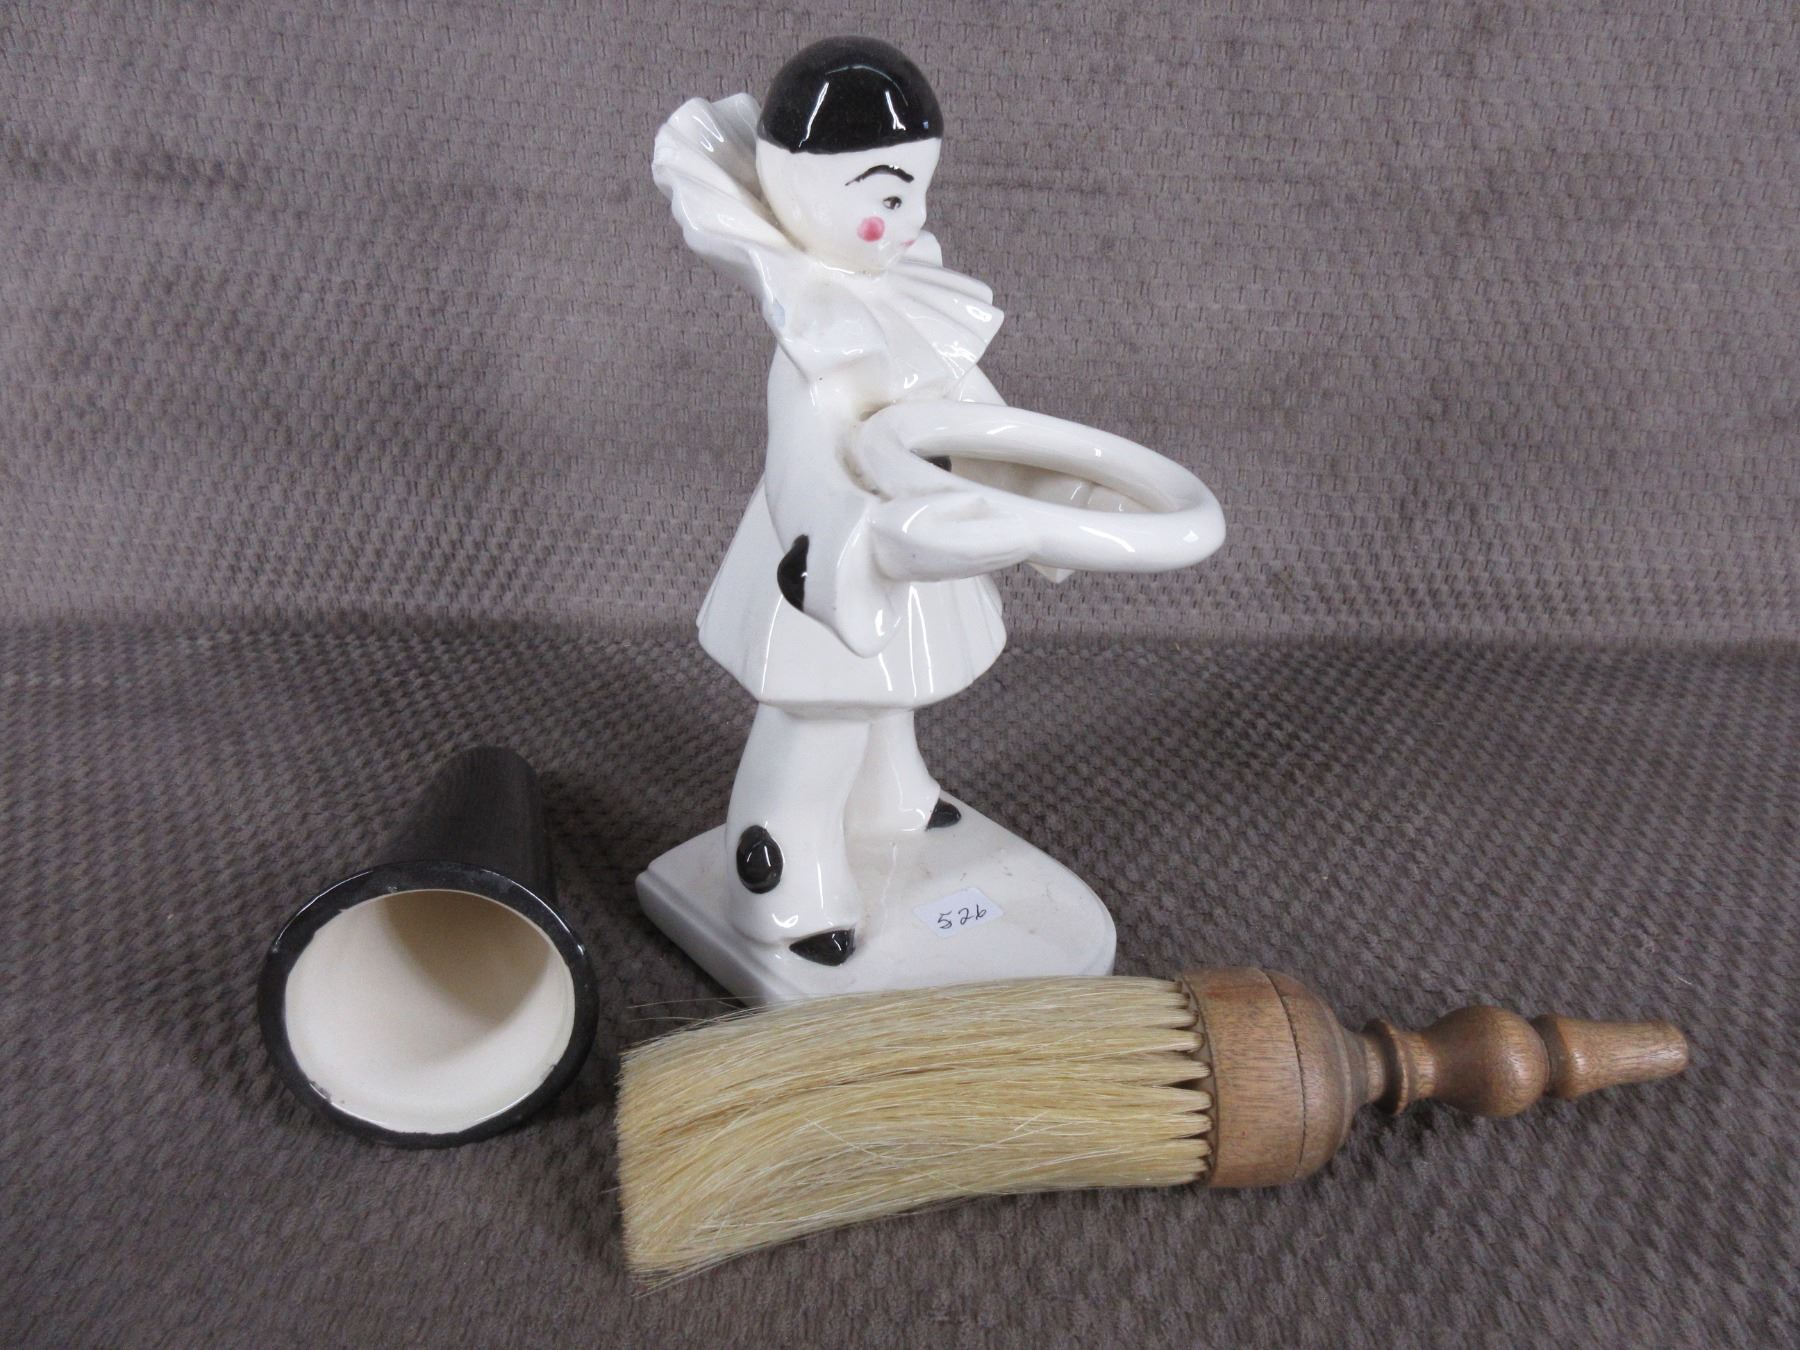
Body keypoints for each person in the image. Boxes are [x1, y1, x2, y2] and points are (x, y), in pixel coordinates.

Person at [652, 37, 1049, 965]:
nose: (914, 218)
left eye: (920, 190)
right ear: (799, 188)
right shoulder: (814, 331)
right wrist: (835, 555)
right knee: (821, 712)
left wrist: (1034, 481)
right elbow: (803, 461)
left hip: (904, 533)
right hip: (829, 555)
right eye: (889, 193)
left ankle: (888, 799)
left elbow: (966, 404)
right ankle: (782, 874)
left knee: (883, 694)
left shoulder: (895, 299)